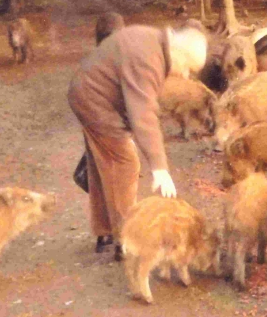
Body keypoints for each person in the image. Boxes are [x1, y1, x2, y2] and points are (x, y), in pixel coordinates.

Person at [68, 22, 208, 259]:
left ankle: (105, 232)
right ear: (177, 52)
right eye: (187, 67)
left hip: (88, 94)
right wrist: (160, 168)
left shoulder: (152, 40)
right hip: (96, 102)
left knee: (104, 164)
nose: (185, 75)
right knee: (124, 164)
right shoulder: (149, 58)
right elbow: (143, 112)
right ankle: (128, 240)